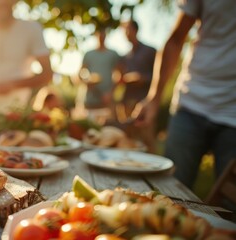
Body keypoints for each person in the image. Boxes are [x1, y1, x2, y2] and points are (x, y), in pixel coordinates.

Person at [132, 0, 236, 189]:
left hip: (233, 114)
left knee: (230, 204)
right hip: (192, 102)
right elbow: (175, 40)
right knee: (171, 189)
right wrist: (154, 98)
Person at [116, 20, 157, 153]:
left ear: (135, 30)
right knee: (128, 139)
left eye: (128, 30)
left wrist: (142, 78)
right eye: (124, 31)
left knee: (147, 139)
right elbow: (119, 79)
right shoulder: (124, 57)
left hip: (144, 101)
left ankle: (152, 171)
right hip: (126, 102)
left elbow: (159, 76)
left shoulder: (150, 51)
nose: (126, 34)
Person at [79, 28, 121, 111]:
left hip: (106, 100)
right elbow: (80, 73)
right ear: (95, 35)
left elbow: (120, 74)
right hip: (90, 100)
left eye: (103, 33)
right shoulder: (88, 54)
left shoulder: (113, 54)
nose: (101, 36)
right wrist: (87, 81)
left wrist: (110, 93)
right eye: (99, 33)